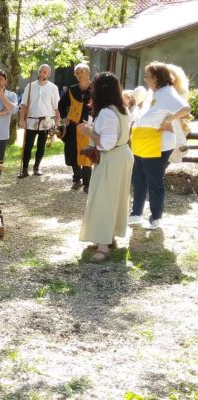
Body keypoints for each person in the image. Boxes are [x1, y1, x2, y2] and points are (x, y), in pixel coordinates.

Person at [128, 61, 191, 230]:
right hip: (142, 143)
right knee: (139, 178)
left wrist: (168, 120)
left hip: (157, 144)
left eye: (148, 76)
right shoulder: (153, 92)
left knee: (154, 181)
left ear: (156, 78)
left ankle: (156, 217)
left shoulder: (168, 92)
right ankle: (136, 213)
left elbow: (186, 108)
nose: (146, 79)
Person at [78, 72, 134, 262]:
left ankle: (103, 246)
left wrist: (89, 132)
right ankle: (108, 237)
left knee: (104, 199)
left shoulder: (108, 113)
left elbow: (106, 143)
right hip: (122, 156)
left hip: (113, 157)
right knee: (115, 198)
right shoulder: (122, 109)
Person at [18, 64, 61, 178]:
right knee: (28, 146)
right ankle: (25, 169)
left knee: (41, 146)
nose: (42, 74)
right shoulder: (30, 86)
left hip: (46, 122)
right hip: (31, 122)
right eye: (41, 71)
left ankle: (37, 167)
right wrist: (22, 119)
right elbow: (24, 104)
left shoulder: (53, 88)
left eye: (45, 72)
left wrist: (57, 121)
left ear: (49, 74)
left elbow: (56, 106)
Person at [58, 63, 93, 192]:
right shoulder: (72, 89)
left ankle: (88, 183)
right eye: (76, 73)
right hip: (73, 126)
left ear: (87, 72)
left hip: (89, 127)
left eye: (80, 72)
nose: (78, 75)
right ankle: (76, 179)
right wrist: (64, 117)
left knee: (88, 153)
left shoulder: (95, 89)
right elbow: (61, 104)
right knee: (73, 153)